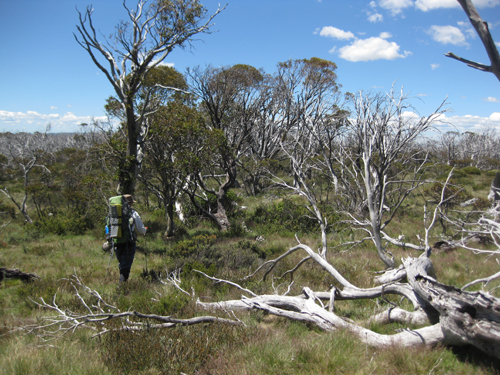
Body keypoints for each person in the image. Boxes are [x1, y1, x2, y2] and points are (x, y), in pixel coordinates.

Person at [115, 194, 147, 283]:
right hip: (128, 243)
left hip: (116, 242)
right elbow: (140, 229)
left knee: (122, 263)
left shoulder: (114, 214)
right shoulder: (133, 213)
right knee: (126, 266)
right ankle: (122, 287)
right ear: (130, 203)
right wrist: (145, 231)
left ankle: (123, 282)